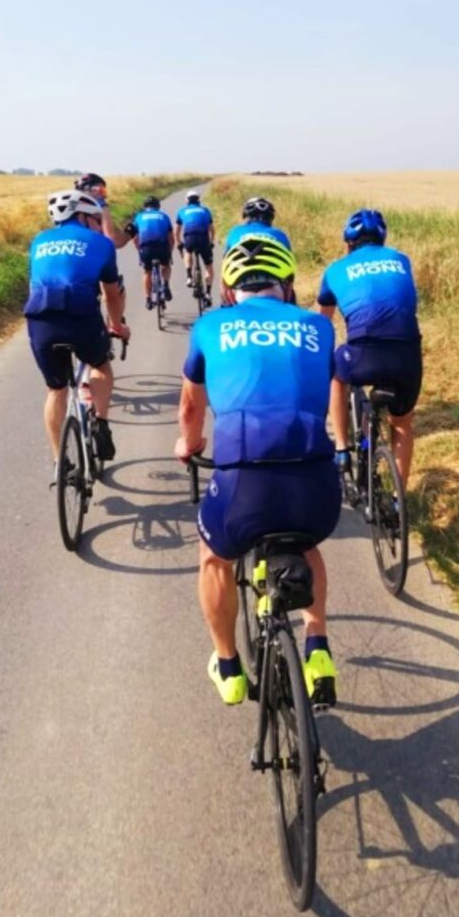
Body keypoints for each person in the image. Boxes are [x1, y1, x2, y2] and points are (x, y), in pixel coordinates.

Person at [174, 236, 341, 707]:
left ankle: (229, 667)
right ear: (287, 285)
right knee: (306, 545)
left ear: (229, 291)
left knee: (214, 558)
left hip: (242, 483)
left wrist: (189, 445)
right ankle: (317, 647)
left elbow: (190, 406)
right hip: (314, 483)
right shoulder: (317, 326)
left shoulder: (210, 326)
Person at [24, 190, 130, 474]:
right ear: (83, 216)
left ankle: (59, 462)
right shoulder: (101, 243)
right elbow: (111, 295)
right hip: (80, 315)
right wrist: (117, 326)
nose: (98, 225)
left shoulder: (38, 241)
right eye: (96, 219)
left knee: (55, 390)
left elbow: (35, 283)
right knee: (100, 365)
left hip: (40, 318)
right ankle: (101, 424)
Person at [317, 209, 422, 488]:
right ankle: (398, 498)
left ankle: (341, 448)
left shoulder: (335, 270)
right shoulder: (401, 259)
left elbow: (322, 322)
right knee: (402, 424)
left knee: (337, 377)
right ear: (382, 240)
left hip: (364, 351)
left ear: (348, 244)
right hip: (407, 351)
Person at [124, 195, 175, 309]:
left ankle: (148, 299)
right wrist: (170, 252)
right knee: (166, 265)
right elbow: (171, 239)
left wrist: (139, 249)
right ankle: (166, 285)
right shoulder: (164, 216)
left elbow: (135, 238)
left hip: (146, 248)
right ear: (158, 206)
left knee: (147, 271)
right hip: (162, 247)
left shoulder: (139, 217)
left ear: (145, 207)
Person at [175, 189, 215, 303]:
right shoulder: (205, 210)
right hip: (203, 238)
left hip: (190, 237)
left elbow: (176, 231)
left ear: (187, 200)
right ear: (198, 200)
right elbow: (212, 230)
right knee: (208, 266)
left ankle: (189, 276)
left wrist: (179, 243)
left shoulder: (182, 211)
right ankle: (208, 293)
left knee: (188, 252)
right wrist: (211, 242)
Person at [74, 172, 130, 249]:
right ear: (92, 190)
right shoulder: (101, 207)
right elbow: (113, 241)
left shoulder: (69, 208)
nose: (103, 196)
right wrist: (131, 231)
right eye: (101, 191)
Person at [224, 196, 291, 250]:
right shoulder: (280, 234)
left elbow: (225, 258)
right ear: (270, 218)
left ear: (246, 217)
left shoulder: (235, 232)